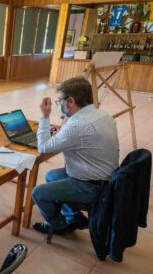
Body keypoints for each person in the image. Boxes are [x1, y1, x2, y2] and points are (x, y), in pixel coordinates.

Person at [32, 76, 119, 235]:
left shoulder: (78, 125)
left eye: (59, 101)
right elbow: (78, 134)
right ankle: (73, 216)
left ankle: (60, 226)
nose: (58, 105)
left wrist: (45, 116)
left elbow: (43, 147)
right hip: (106, 179)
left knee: (37, 193)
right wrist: (64, 131)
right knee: (52, 175)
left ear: (70, 101)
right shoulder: (102, 115)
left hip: (91, 186)